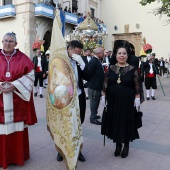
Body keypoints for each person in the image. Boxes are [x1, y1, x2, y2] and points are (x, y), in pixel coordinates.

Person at [0, 32, 37, 169]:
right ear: (2, 42)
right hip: (0, 101)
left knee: (16, 129)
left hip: (17, 101)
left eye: (10, 41)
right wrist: (1, 86)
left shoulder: (23, 58)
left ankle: (17, 157)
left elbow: (30, 76)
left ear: (15, 44)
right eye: (5, 41)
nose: (7, 43)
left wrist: (14, 85)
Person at [101, 46, 140, 158]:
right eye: (119, 53)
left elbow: (137, 86)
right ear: (116, 56)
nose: (122, 55)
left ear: (127, 56)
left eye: (124, 53)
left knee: (126, 121)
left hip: (127, 101)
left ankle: (126, 145)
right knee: (116, 121)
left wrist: (137, 98)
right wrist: (103, 96)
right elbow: (105, 83)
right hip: (113, 101)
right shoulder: (111, 68)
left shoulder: (133, 69)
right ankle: (118, 144)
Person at [56, 40, 89, 162]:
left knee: (77, 125)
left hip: (78, 96)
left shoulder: (79, 61)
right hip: (64, 98)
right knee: (64, 125)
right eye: (76, 53)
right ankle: (61, 150)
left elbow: (88, 76)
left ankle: (78, 150)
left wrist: (82, 64)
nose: (78, 55)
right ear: (69, 49)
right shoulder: (60, 60)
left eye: (80, 53)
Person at [87, 47, 105, 125]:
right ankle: (92, 117)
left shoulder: (97, 60)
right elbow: (88, 73)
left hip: (97, 86)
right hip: (94, 86)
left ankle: (94, 114)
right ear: (98, 53)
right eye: (102, 53)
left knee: (96, 101)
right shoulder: (93, 61)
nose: (104, 54)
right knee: (94, 102)